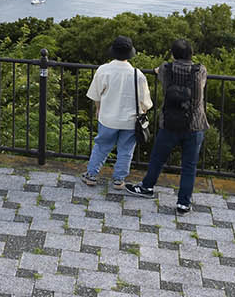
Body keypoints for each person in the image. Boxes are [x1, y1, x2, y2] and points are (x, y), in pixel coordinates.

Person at [127, 38, 207, 214]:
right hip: (194, 124)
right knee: (189, 165)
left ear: (173, 54)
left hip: (169, 122)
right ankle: (183, 203)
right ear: (191, 54)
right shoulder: (199, 70)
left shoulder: (165, 69)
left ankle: (147, 187)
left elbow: (159, 71)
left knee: (157, 158)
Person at [81, 36, 151, 187]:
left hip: (107, 118)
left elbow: (96, 95)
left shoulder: (103, 70)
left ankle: (91, 175)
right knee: (126, 150)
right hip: (130, 121)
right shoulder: (138, 75)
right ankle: (118, 179)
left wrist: (98, 109)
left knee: (101, 146)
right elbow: (146, 103)